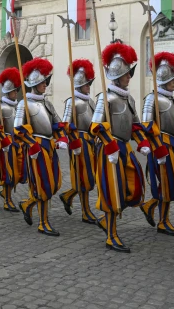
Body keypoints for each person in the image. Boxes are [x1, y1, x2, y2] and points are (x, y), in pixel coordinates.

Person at [90, 42, 149, 252]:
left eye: (129, 73)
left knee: (132, 187)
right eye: (126, 74)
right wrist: (110, 145)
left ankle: (107, 222)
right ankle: (111, 235)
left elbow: (135, 125)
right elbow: (95, 126)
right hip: (109, 151)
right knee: (112, 191)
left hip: (124, 149)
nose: (129, 77)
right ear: (117, 75)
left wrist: (142, 141)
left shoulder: (129, 98)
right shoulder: (105, 98)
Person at [14, 58, 69, 236]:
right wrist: (32, 144)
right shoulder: (24, 104)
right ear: (34, 84)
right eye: (42, 82)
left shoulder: (48, 103)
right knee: (43, 185)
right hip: (36, 149)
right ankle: (43, 223)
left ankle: (27, 203)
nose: (45, 84)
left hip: (49, 147)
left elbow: (57, 124)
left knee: (54, 184)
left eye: (45, 81)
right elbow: (18, 130)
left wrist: (61, 138)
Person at [139, 52, 174, 236]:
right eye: (172, 78)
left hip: (172, 146)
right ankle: (163, 221)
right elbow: (146, 125)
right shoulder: (151, 99)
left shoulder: (171, 99)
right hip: (159, 147)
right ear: (163, 79)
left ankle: (150, 206)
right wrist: (157, 147)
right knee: (167, 183)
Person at [59, 59, 102, 226]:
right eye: (86, 84)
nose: (89, 86)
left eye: (89, 83)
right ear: (79, 84)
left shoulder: (90, 101)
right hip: (78, 143)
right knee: (83, 178)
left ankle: (68, 195)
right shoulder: (72, 101)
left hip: (91, 143)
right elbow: (64, 125)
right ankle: (85, 211)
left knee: (90, 178)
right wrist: (72, 141)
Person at [0, 67, 23, 212]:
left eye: (17, 90)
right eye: (14, 90)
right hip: (5, 143)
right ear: (7, 91)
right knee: (7, 172)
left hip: (17, 143)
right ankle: (7, 200)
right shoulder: (0, 107)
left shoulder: (19, 106)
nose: (16, 92)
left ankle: (6, 193)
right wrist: (1, 139)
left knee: (17, 171)